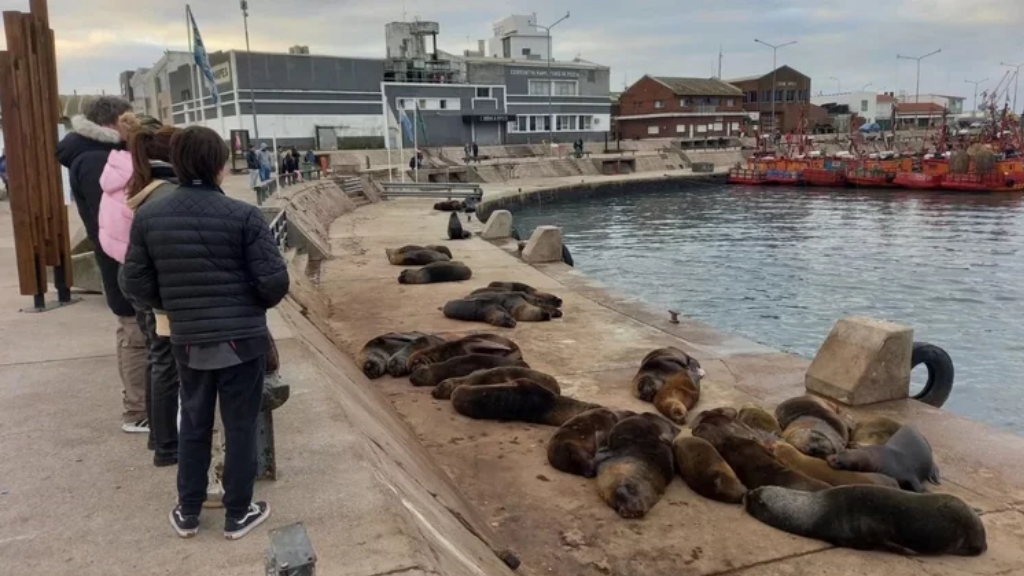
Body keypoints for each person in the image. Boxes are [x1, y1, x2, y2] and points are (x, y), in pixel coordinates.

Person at [122, 126, 289, 540]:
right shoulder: (245, 216)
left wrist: (172, 303)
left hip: (187, 338)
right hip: (241, 339)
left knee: (194, 422)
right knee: (240, 424)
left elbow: (134, 283)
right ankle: (237, 513)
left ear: (176, 164)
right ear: (220, 166)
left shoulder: (149, 217)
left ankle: (188, 511)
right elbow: (274, 282)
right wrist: (247, 304)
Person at [56, 95, 149, 434]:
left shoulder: (88, 154)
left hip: (116, 258)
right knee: (134, 332)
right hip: (121, 259)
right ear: (113, 122)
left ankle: (140, 407)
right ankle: (138, 411)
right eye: (130, 119)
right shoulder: (97, 159)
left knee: (131, 330)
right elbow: (113, 218)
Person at [98, 113, 183, 467]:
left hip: (131, 275)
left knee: (156, 357)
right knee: (165, 360)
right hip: (154, 282)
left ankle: (159, 437)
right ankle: (167, 443)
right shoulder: (156, 193)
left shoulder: (123, 182)